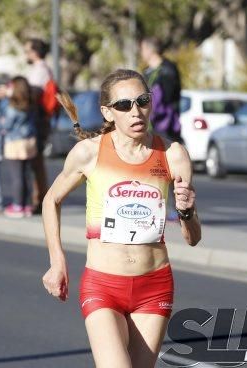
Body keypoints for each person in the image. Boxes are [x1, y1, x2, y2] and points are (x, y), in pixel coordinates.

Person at [42, 69, 201, 367]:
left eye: (142, 101)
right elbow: (51, 199)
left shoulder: (173, 154)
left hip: (154, 285)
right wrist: (57, 261)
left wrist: (187, 211)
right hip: (103, 285)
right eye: (124, 105)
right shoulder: (88, 153)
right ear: (108, 112)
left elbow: (193, 238)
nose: (136, 111)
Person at [24, 38, 53, 215]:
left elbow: (32, 95)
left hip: (38, 120)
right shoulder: (39, 69)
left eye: (27, 51)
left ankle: (40, 199)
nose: (25, 55)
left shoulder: (40, 71)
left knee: (36, 161)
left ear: (35, 52)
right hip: (38, 120)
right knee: (35, 161)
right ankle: (39, 198)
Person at [2, 76, 39, 218]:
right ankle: (27, 206)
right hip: (29, 141)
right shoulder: (31, 104)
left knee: (17, 176)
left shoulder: (12, 107)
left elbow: (6, 126)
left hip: (15, 143)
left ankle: (18, 206)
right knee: (27, 175)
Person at [140, 37, 182, 143]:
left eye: (143, 49)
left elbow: (170, 98)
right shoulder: (146, 72)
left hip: (166, 126)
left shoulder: (168, 70)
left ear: (150, 50)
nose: (141, 53)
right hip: (149, 125)